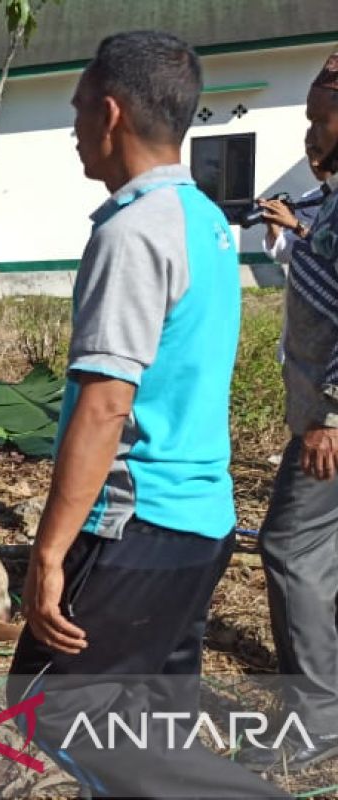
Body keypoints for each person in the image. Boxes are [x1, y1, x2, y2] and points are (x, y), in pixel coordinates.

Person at [3, 32, 286, 797]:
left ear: (111, 111)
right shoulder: (203, 220)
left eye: (75, 109)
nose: (70, 131)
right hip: (201, 519)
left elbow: (103, 407)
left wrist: (51, 553)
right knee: (147, 729)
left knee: (47, 713)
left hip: (138, 525)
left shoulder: (131, 232)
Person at [246, 54, 338, 774]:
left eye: (319, 118)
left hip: (331, 424)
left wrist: (330, 415)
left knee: (289, 547)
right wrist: (296, 236)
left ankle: (318, 720)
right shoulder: (329, 202)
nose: (311, 134)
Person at [261, 130, 333, 266]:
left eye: (320, 154)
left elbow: (331, 251)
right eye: (310, 156)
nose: (315, 163)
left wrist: (296, 226)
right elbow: (285, 254)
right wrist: (274, 225)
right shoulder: (310, 198)